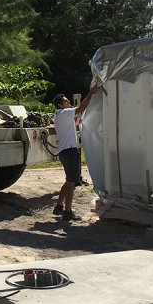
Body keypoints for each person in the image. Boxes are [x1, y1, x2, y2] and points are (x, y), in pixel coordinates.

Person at [52, 84, 99, 221]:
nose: (68, 102)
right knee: (72, 183)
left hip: (64, 152)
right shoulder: (65, 112)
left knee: (68, 181)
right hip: (70, 151)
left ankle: (59, 206)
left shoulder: (59, 115)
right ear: (60, 104)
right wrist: (90, 93)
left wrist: (78, 122)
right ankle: (68, 212)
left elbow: (74, 122)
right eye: (66, 101)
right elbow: (81, 108)